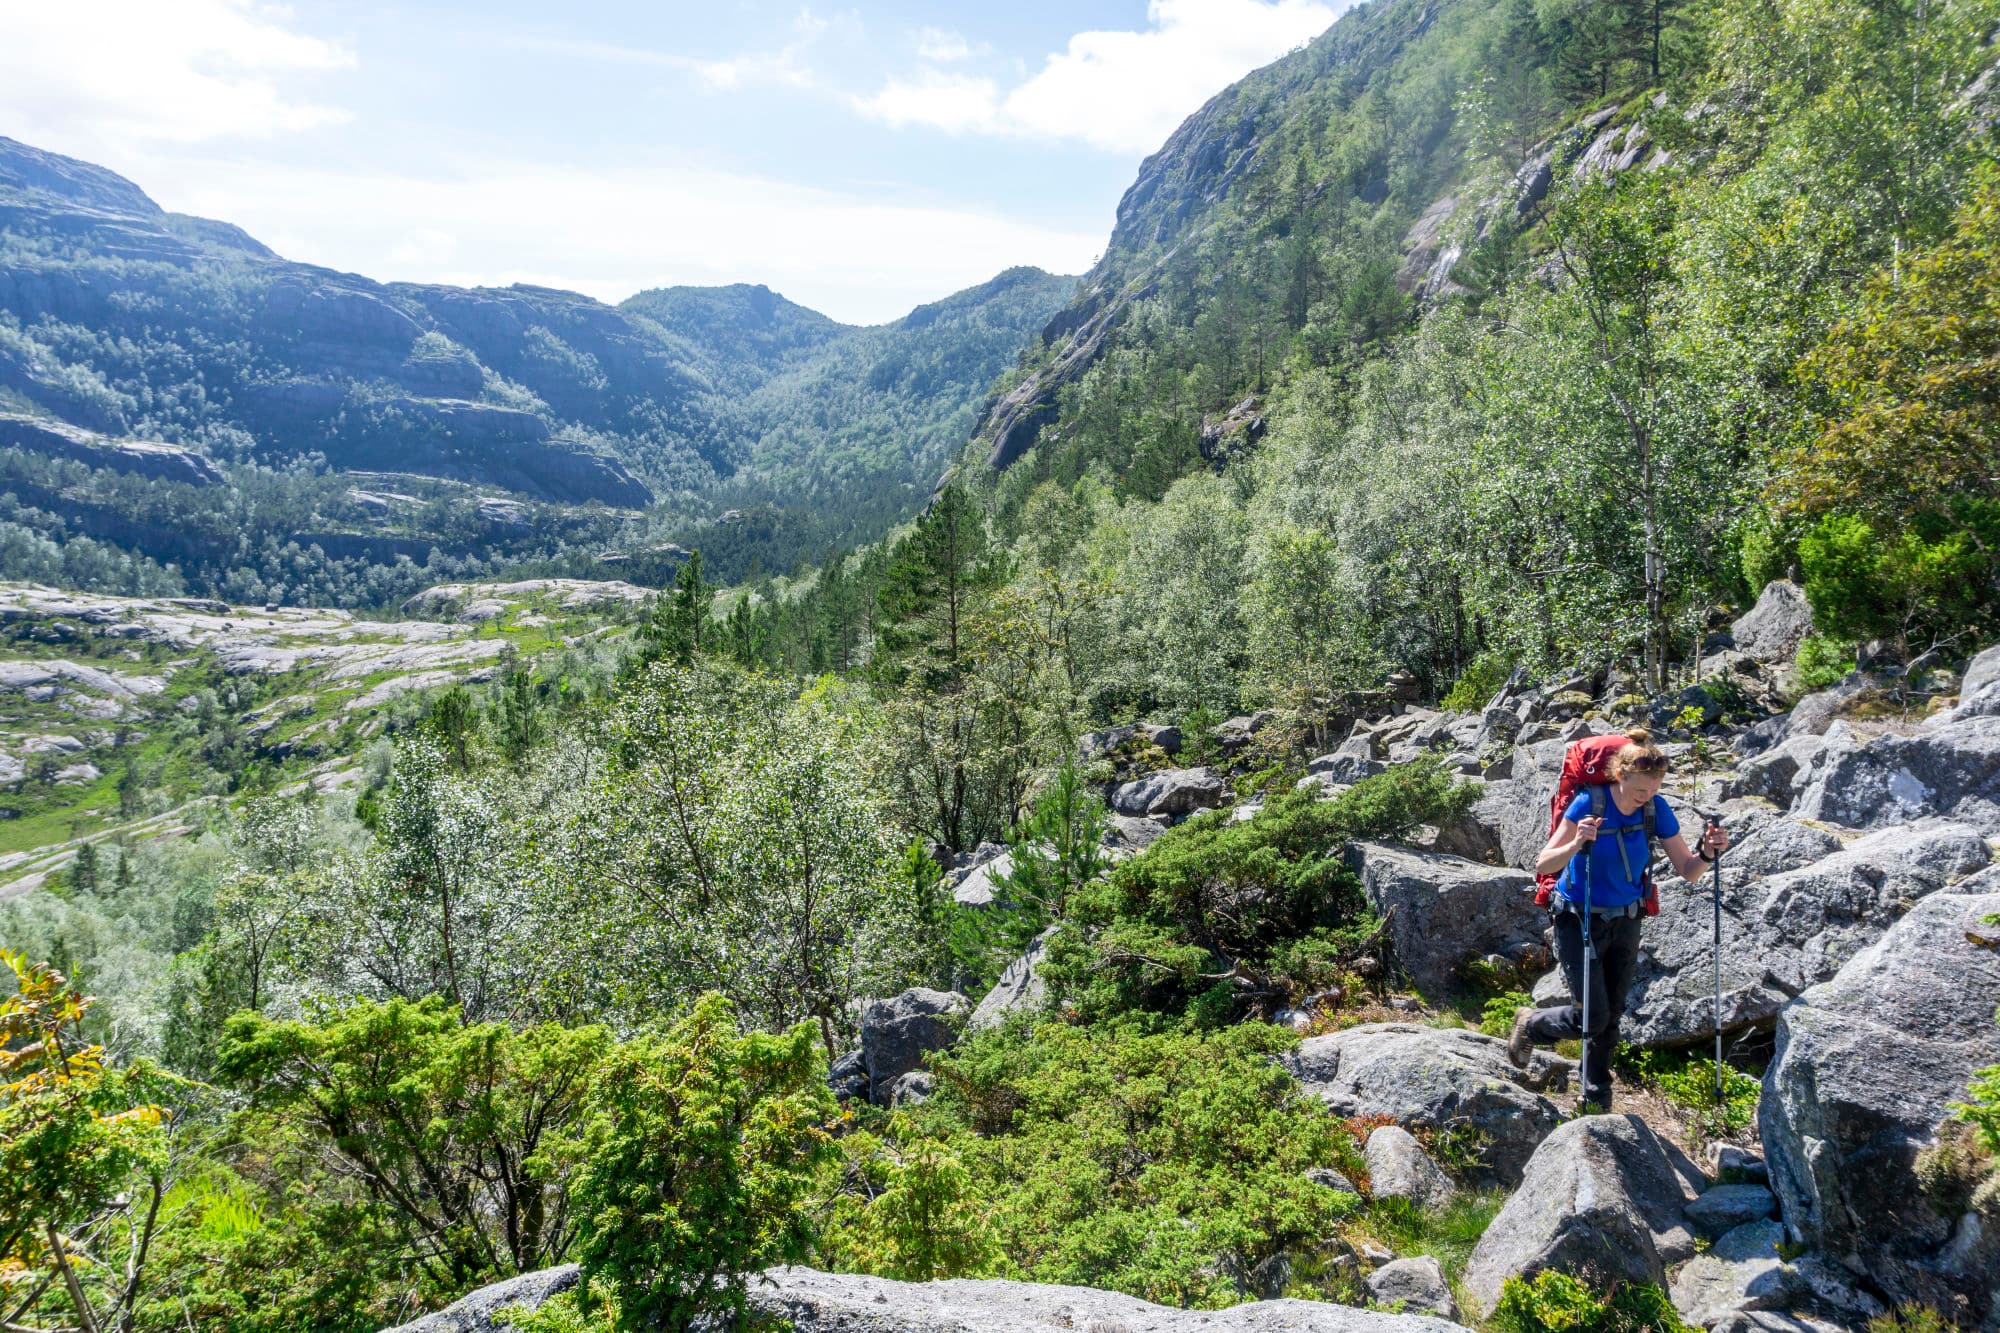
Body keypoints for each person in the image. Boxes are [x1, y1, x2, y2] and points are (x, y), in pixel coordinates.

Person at [1506, 734, 1729, 1110]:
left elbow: (1689, 871)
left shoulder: (1655, 810)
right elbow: (1544, 864)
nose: (1646, 796)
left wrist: (1708, 852)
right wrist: (1577, 842)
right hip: (1578, 918)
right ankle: (1532, 1025)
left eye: (1653, 788)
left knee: (1610, 1016)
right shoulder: (1588, 803)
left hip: (1627, 920)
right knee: (1591, 1016)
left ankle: (1597, 1098)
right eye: (1640, 789)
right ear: (1619, 776)